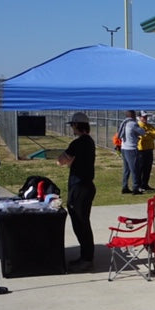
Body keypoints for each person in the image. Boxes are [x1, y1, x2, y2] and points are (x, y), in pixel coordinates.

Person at [58, 112, 96, 269]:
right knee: (81, 223)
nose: (72, 128)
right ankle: (85, 256)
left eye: (73, 125)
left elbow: (62, 160)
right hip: (84, 186)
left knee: (81, 223)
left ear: (77, 125)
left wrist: (64, 159)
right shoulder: (89, 142)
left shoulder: (78, 143)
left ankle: (87, 258)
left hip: (80, 187)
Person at [116, 109, 143, 194]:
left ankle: (125, 187)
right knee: (134, 169)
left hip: (124, 148)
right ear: (132, 115)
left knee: (126, 169)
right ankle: (135, 188)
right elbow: (142, 132)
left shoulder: (124, 123)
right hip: (131, 149)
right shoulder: (133, 124)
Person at [136, 112, 155, 192]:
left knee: (148, 168)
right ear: (139, 117)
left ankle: (145, 184)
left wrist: (148, 133)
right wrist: (150, 135)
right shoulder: (138, 125)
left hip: (149, 149)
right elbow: (142, 137)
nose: (145, 118)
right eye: (143, 117)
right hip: (141, 150)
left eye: (146, 117)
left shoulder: (149, 126)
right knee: (140, 168)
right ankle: (138, 185)